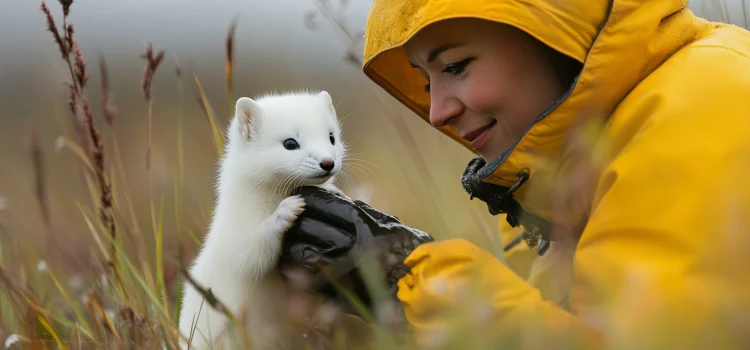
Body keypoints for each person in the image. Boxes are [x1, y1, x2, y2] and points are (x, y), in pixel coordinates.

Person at [279, 0, 750, 348]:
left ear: (556, 27)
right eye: (426, 82)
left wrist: (415, 276)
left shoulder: (701, 106)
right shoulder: (575, 163)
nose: (436, 112)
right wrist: (381, 315)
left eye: (457, 66)